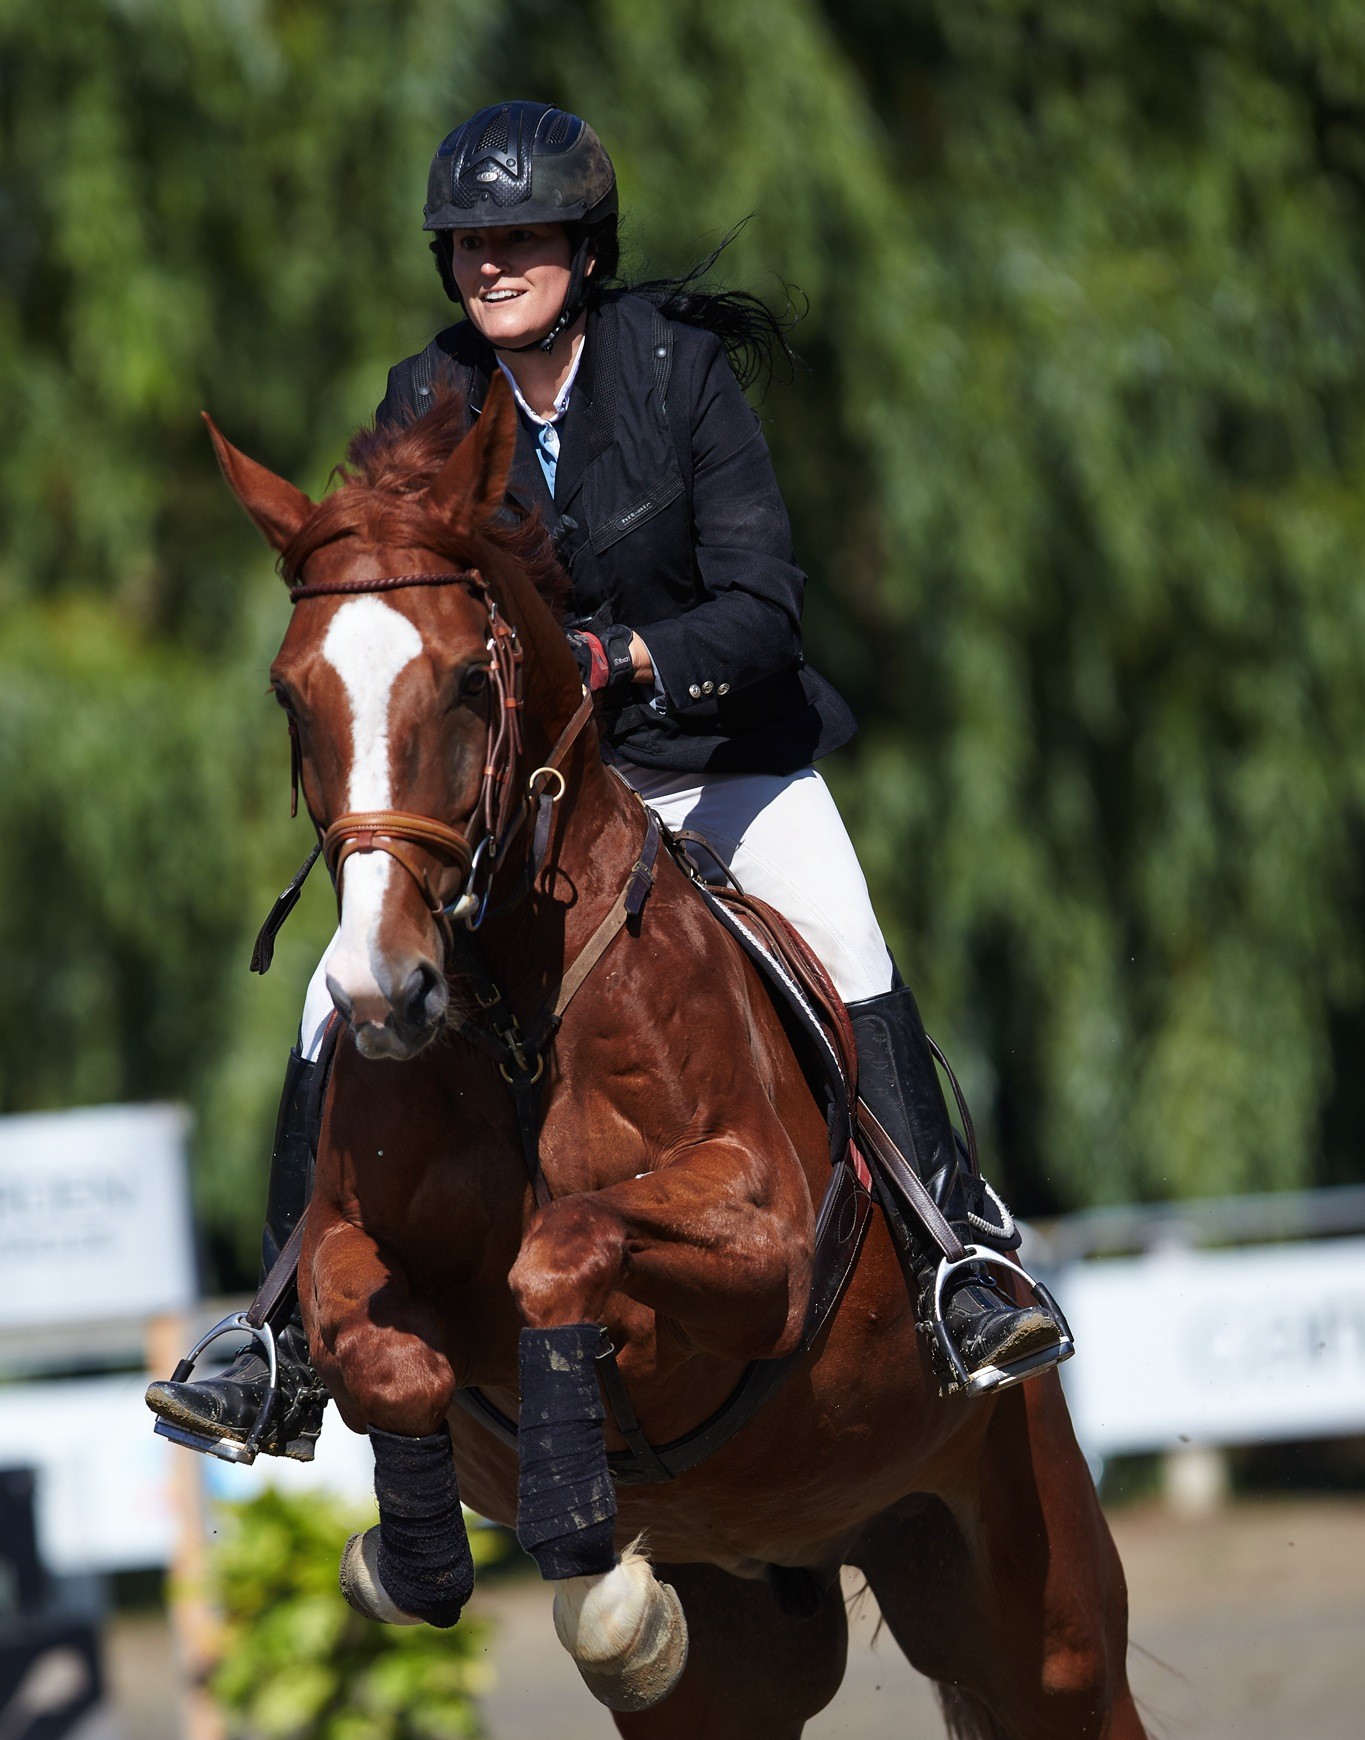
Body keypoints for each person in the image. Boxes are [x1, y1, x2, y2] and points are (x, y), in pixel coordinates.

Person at [148, 101, 1066, 1463]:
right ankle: (275, 1336)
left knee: (848, 935)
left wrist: (620, 655)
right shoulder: (430, 392)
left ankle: (954, 1257)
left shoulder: (679, 376)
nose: (488, 264)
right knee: (328, 1000)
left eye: (516, 237)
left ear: (583, 243)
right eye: (464, 243)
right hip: (529, 801)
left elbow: (763, 611)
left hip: (711, 755)